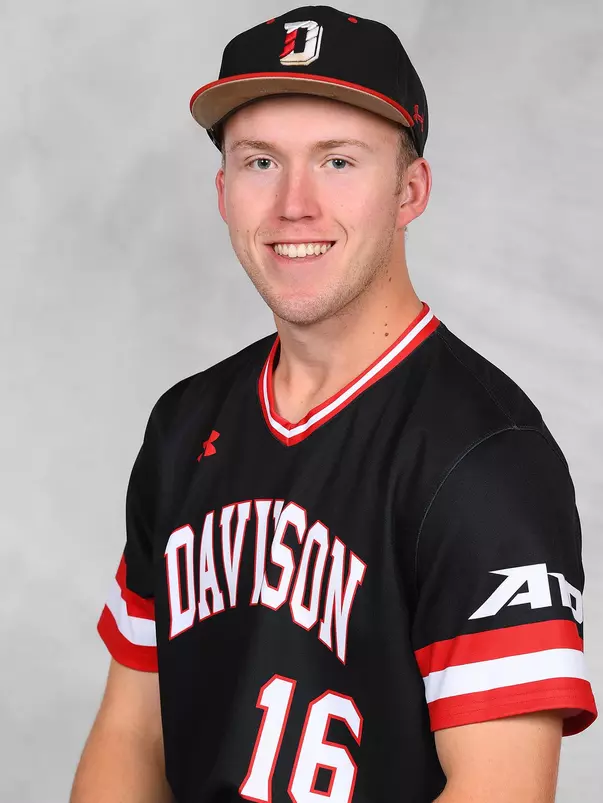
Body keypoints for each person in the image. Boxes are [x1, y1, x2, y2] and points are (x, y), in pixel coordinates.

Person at [70, 6, 597, 803]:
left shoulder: (487, 456)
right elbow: (129, 730)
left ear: (409, 190)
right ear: (222, 191)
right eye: (259, 163)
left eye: (339, 162)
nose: (293, 205)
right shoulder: (184, 425)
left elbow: (500, 789)